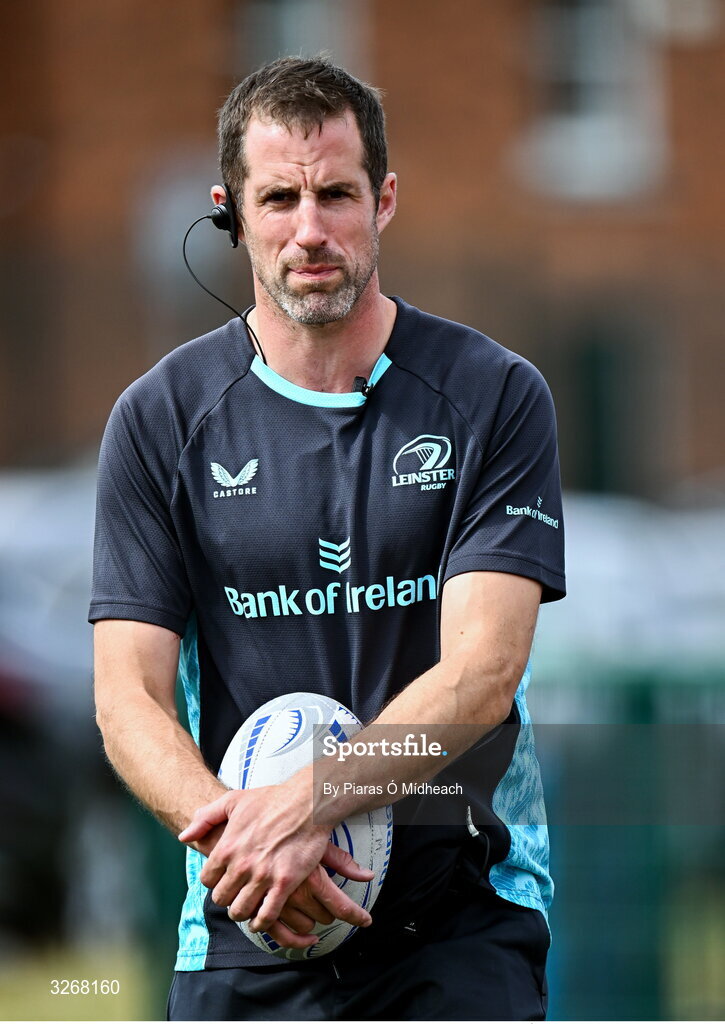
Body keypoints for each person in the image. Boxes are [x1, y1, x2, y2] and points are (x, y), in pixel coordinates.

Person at [90, 56, 565, 1021]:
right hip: (244, 916)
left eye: (336, 194)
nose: (310, 230)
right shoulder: (158, 421)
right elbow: (127, 699)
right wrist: (245, 843)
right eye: (279, 199)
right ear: (231, 211)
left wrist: (309, 802)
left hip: (456, 919)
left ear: (383, 199)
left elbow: (484, 670)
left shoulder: (490, 395)